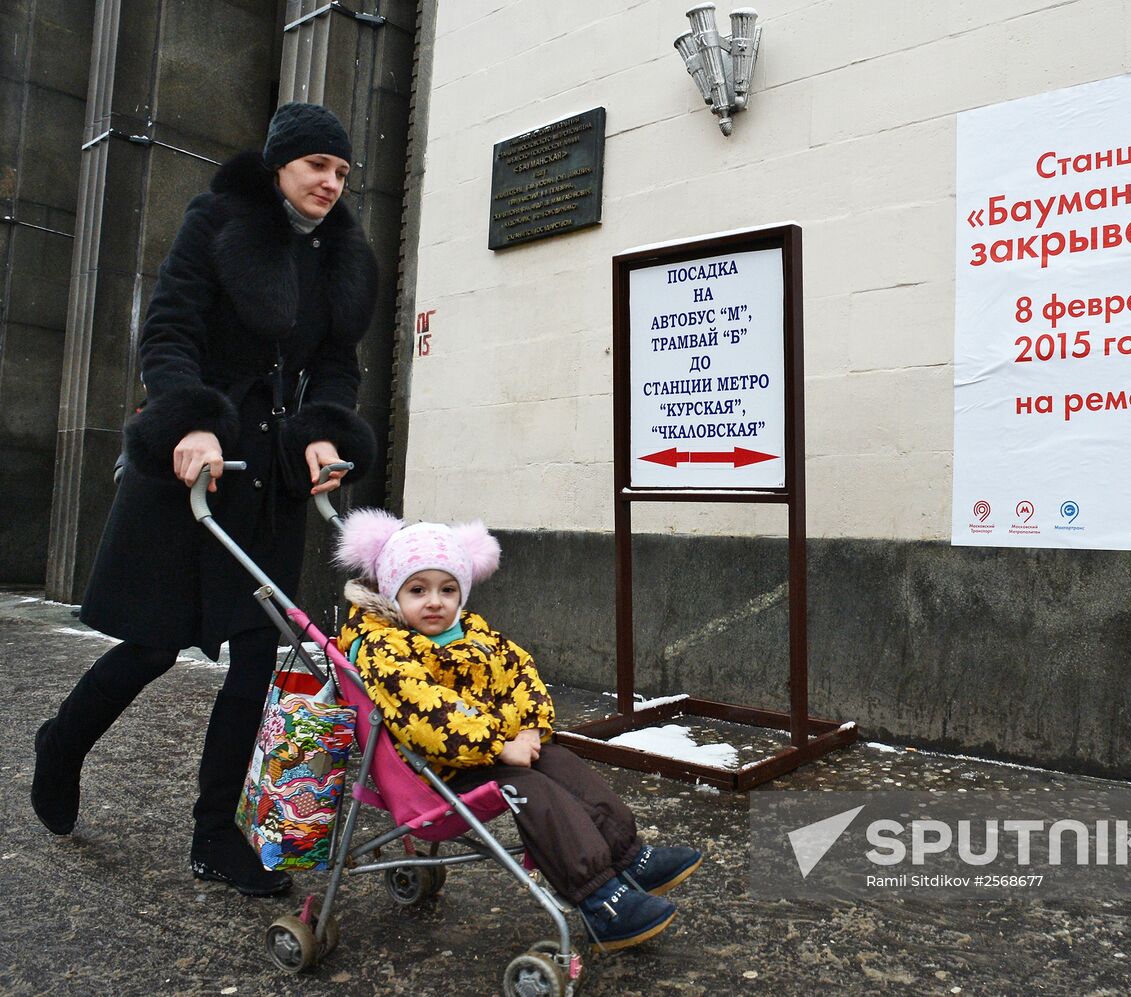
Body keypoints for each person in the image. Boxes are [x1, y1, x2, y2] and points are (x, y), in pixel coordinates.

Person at [30, 103, 379, 897]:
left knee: (260, 656)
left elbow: (336, 365)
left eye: (343, 172)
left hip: (272, 479)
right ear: (282, 164)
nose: (331, 182)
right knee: (152, 643)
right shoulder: (218, 221)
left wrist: (326, 432)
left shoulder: (341, 258)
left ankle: (216, 833)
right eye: (318, 166)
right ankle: (62, 742)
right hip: (197, 467)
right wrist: (190, 418)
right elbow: (170, 328)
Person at [334, 509, 703, 951]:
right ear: (392, 593)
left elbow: (520, 674)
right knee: (533, 788)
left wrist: (529, 730)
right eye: (417, 590)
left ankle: (627, 855)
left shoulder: (469, 631)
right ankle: (600, 899)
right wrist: (498, 745)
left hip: (491, 749)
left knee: (561, 761)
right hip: (435, 769)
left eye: (448, 589)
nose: (435, 602)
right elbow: (428, 711)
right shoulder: (384, 647)